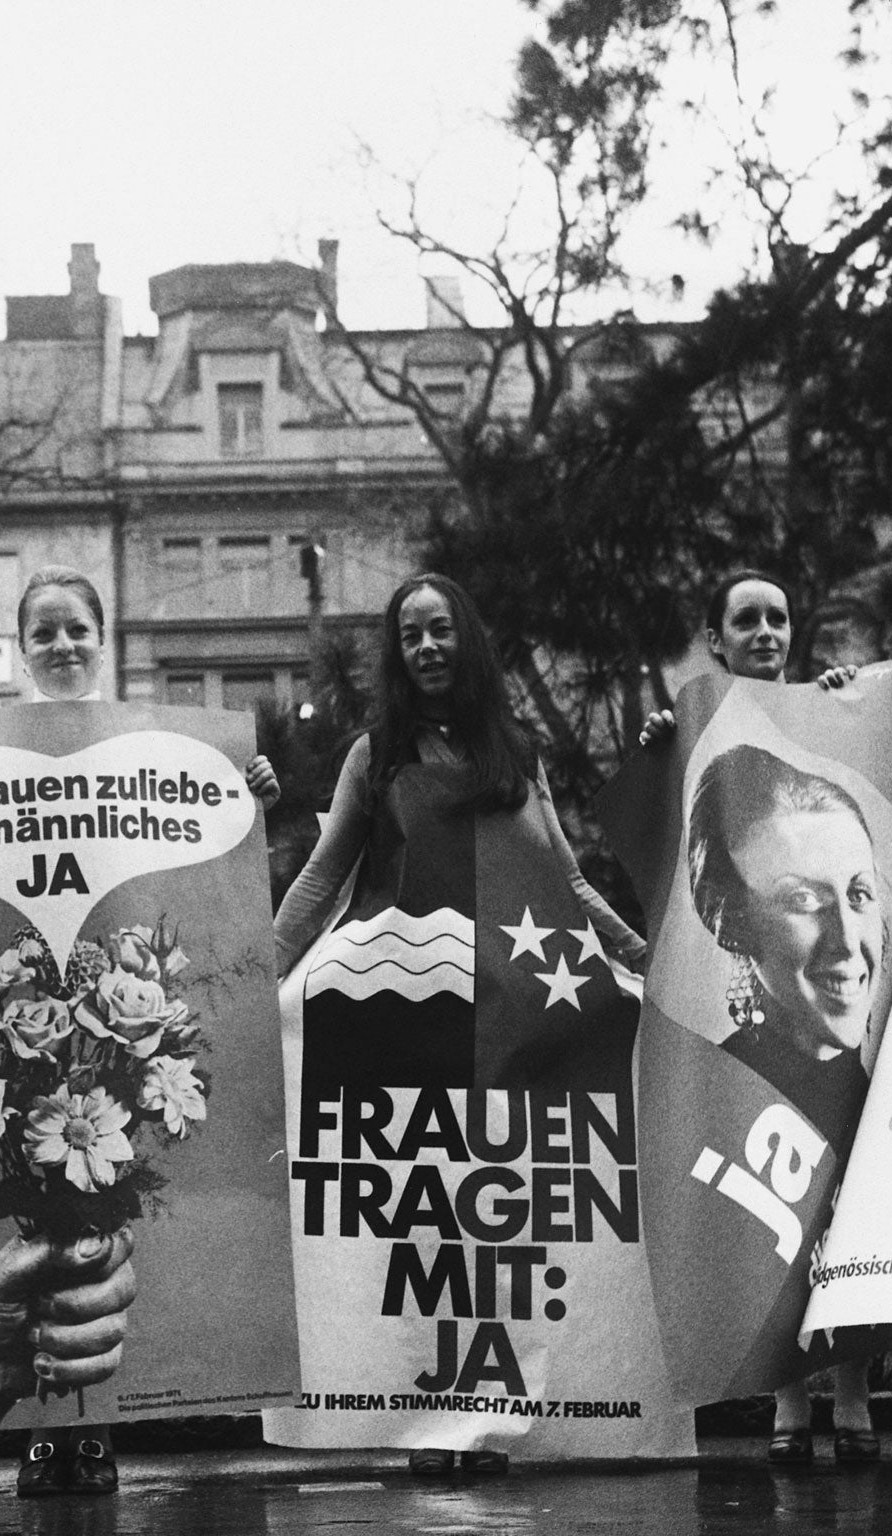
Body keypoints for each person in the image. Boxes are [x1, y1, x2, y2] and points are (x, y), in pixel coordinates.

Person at [0, 565, 277, 1497]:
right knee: (46, 1220)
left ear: (102, 639)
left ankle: (93, 1433)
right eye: (44, 632)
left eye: (76, 630)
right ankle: (46, 1431)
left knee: (93, 1228)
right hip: (33, 1009)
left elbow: (201, 853)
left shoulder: (149, 744)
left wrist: (248, 783)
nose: (62, 646)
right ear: (24, 649)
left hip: (113, 998)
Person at [274, 571, 647, 1477]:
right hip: (411, 1030)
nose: (428, 647)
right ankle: (430, 1424)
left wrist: (651, 963)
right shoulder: (376, 756)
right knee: (428, 1236)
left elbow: (571, 883)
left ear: (465, 641)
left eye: (442, 630)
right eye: (411, 636)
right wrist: (250, 978)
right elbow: (323, 880)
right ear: (398, 656)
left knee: (502, 1233)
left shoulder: (519, 754)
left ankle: (484, 1422)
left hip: (516, 1035)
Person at [641, 569, 885, 1464]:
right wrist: (660, 751)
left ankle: (852, 1392)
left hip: (848, 1077)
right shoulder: (697, 727)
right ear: (718, 637)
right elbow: (649, 842)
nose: (767, 631)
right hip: (763, 1065)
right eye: (747, 619)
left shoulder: (833, 710)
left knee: (849, 1216)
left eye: (781, 616)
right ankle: (790, 1397)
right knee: (770, 1225)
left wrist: (855, 707)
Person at [686, 745, 881, 1142]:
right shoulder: (711, 1105)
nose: (846, 940)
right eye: (803, 899)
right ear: (731, 921)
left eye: (858, 894)